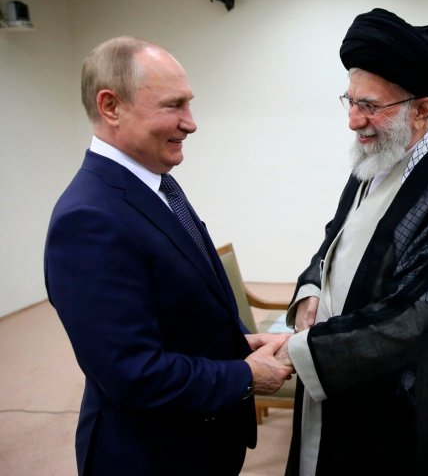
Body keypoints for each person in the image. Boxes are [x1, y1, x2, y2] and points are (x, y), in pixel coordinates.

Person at [44, 36, 293, 475]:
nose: (191, 123)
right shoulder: (88, 219)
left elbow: (177, 303)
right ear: (110, 107)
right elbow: (132, 372)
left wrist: (238, 343)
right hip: (151, 456)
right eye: (173, 106)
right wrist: (246, 376)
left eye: (189, 104)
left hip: (199, 443)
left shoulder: (156, 183)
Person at [276, 8, 428, 475]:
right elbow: (332, 241)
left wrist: (301, 351)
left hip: (391, 398)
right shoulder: (373, 161)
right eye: (350, 101)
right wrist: (312, 290)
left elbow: (416, 316)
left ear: (422, 109)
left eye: (370, 106)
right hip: (334, 369)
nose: (354, 121)